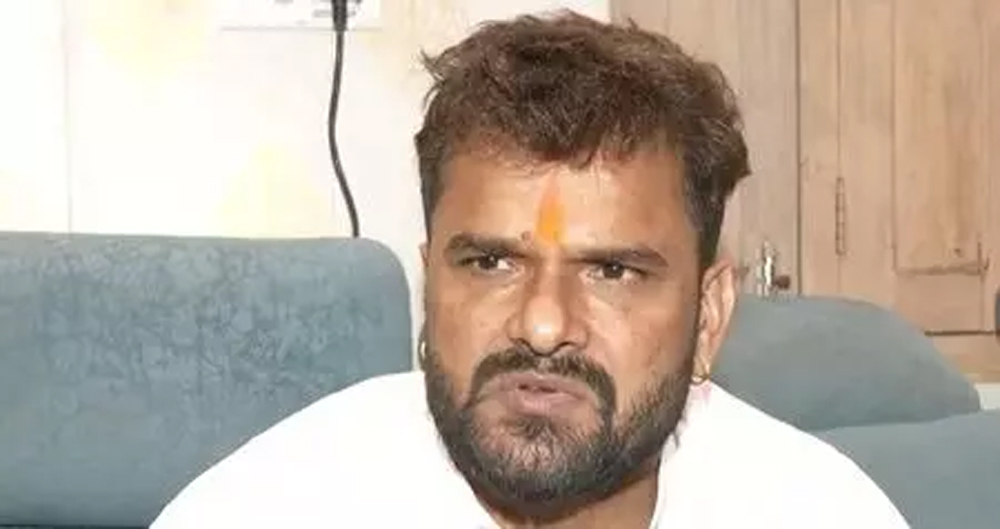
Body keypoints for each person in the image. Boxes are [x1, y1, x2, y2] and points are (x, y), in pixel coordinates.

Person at [152, 11, 910, 528]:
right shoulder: (269, 506)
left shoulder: (820, 511)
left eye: (612, 271)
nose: (543, 324)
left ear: (708, 317)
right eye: (490, 262)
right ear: (430, 286)